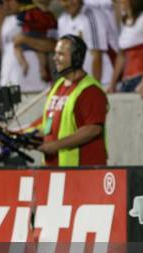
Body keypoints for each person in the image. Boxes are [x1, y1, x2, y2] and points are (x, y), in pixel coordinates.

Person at [37, 35, 108, 165]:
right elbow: (50, 123)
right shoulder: (58, 85)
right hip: (56, 171)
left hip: (82, 172)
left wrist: (55, 146)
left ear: (76, 58)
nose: (55, 58)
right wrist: (35, 137)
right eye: (55, 54)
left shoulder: (90, 90)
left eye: (60, 54)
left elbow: (93, 129)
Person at [0, 0, 55, 92]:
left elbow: (54, 46)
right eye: (3, 2)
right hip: (9, 88)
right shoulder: (3, 21)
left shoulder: (40, 15)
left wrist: (25, 39)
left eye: (9, 0)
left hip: (39, 87)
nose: (6, 4)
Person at [56, 0, 115, 85]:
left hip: (101, 82)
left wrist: (95, 85)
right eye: (64, 0)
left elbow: (97, 54)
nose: (69, 3)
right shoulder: (62, 20)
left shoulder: (92, 15)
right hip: (78, 84)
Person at [107, 0, 143, 92]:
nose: (120, 2)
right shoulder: (125, 21)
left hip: (140, 78)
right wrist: (112, 84)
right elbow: (121, 56)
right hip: (126, 80)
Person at [14, 0, 58, 81]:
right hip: (27, 32)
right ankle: (24, 63)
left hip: (37, 33)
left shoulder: (47, 12)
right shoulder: (26, 8)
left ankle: (41, 68)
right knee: (17, 48)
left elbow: (53, 45)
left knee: (39, 51)